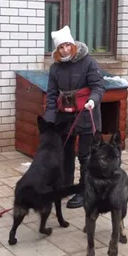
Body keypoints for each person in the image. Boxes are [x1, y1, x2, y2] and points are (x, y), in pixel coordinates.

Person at [43, 25, 105, 209]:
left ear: (73, 44)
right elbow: (52, 95)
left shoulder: (88, 63)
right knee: (65, 153)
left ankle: (84, 190)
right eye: (61, 47)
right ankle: (66, 186)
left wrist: (93, 100)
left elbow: (98, 86)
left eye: (67, 45)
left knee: (85, 156)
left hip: (86, 112)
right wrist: (49, 119)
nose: (65, 50)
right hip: (65, 116)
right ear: (57, 49)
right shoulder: (55, 68)